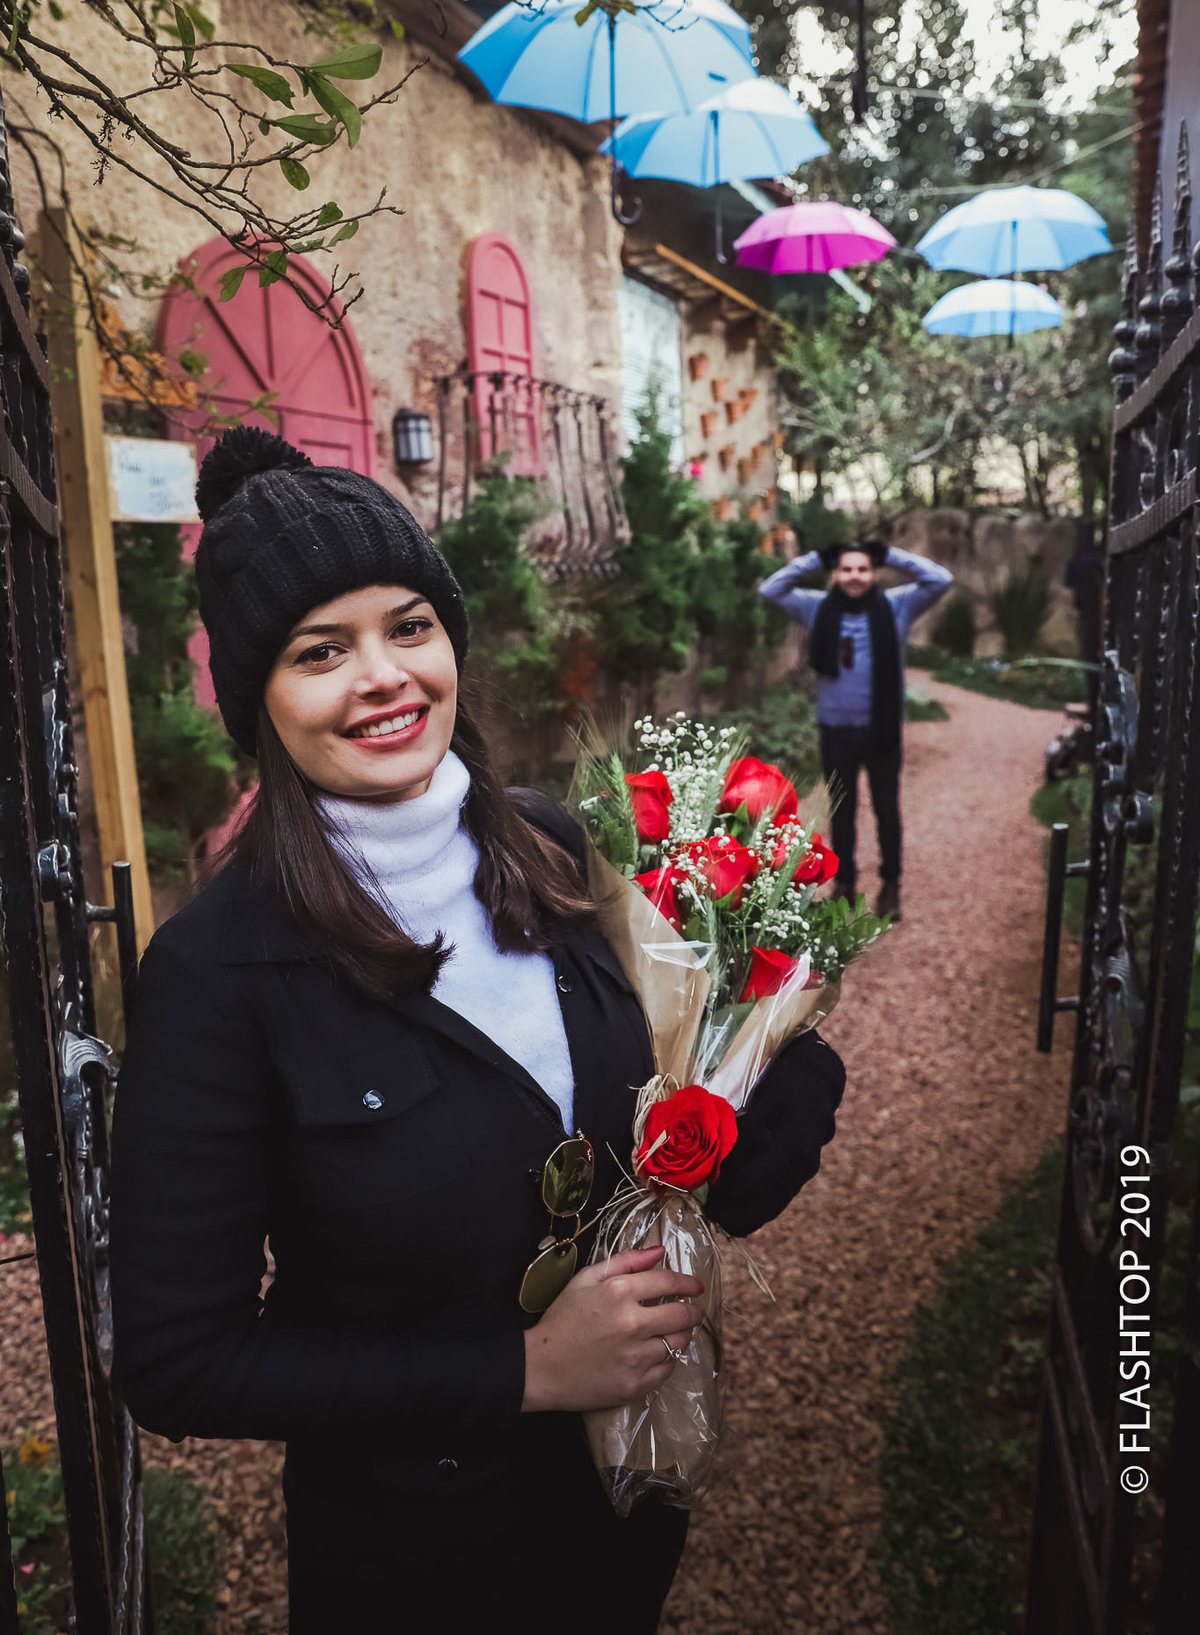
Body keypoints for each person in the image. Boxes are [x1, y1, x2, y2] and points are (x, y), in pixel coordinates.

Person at [110, 426, 848, 1635]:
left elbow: (715, 1054)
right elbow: (179, 1361)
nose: (386, 676)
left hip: (622, 1515)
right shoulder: (218, 971)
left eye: (409, 626)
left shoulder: (557, 849)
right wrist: (528, 1372)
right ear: (259, 696)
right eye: (320, 651)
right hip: (417, 1561)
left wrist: (750, 1121)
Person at [759, 536, 953, 922]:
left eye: (863, 568)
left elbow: (940, 579)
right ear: (836, 572)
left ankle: (891, 885)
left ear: (873, 572)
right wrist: (816, 554)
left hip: (882, 731)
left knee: (886, 810)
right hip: (835, 729)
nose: (854, 576)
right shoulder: (815, 608)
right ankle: (844, 883)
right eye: (846, 568)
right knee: (842, 811)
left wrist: (892, 555)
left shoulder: (897, 606)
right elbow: (771, 589)